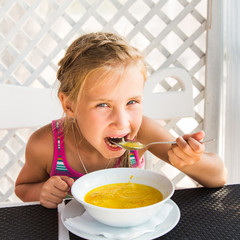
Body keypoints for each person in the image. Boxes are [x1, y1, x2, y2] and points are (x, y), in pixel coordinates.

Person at [15, 32, 227, 208]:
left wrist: (193, 160)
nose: (122, 121)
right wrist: (42, 192)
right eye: (103, 105)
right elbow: (23, 188)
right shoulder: (46, 145)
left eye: (132, 102)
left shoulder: (144, 132)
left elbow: (218, 176)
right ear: (69, 105)